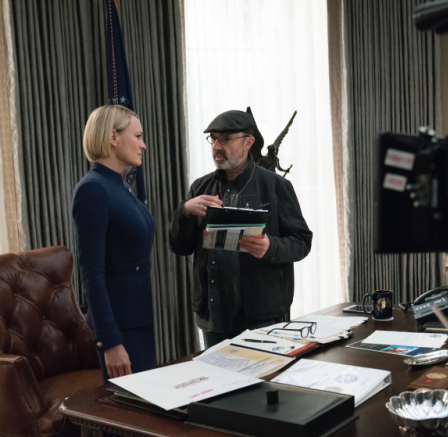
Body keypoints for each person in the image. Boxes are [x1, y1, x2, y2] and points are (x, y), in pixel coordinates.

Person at [169, 110, 313, 348]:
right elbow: (180, 247)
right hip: (214, 312)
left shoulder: (276, 186)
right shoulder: (200, 187)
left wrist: (270, 247)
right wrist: (184, 211)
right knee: (215, 372)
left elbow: (302, 242)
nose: (217, 146)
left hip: (261, 314)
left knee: (261, 372)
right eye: (213, 138)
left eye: (225, 139)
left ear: (248, 142)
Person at [72, 105, 155, 381]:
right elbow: (91, 274)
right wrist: (109, 341)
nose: (143, 144)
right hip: (119, 329)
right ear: (113, 137)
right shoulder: (93, 189)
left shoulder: (122, 186)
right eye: (138, 136)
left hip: (139, 319)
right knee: (132, 407)